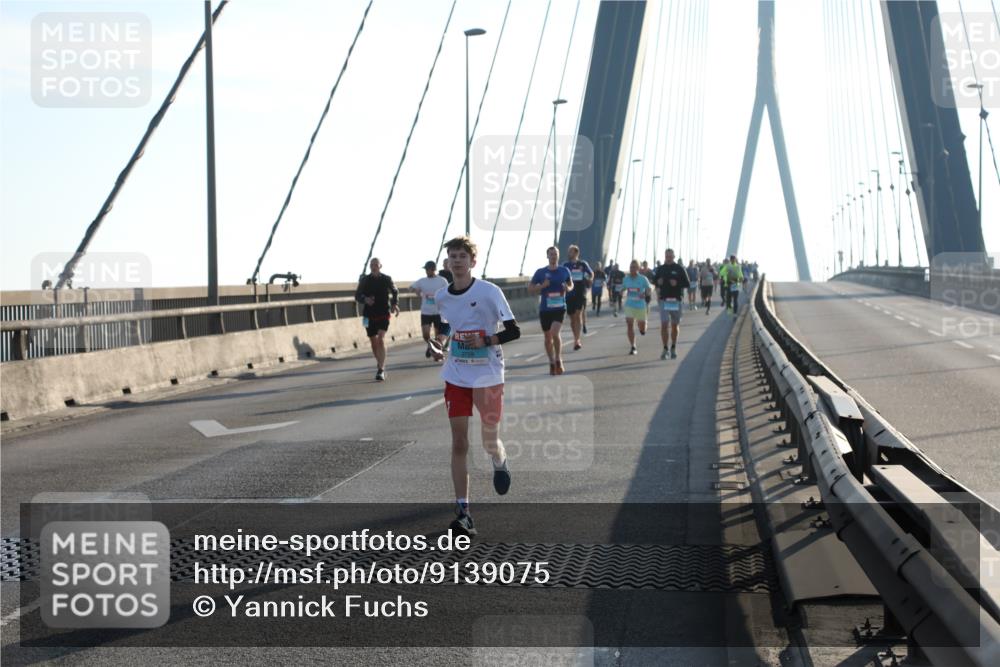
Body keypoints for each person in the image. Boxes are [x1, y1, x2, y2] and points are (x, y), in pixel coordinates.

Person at [430, 236, 519, 537]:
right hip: (456, 374)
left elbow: (513, 330)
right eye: (452, 256)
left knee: (488, 441)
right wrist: (438, 343)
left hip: (488, 375)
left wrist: (486, 340)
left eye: (462, 256)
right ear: (447, 262)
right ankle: (463, 511)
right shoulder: (442, 296)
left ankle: (499, 459)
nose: (457, 261)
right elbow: (444, 325)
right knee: (459, 442)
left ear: (472, 262)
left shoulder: (489, 292)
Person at [529, 246, 573, 375]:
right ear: (547, 256)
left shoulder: (564, 271)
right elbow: (530, 288)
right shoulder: (540, 272)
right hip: (545, 309)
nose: (553, 256)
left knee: (555, 332)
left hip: (560, 307)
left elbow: (571, 284)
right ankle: (551, 361)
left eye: (555, 254)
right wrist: (542, 286)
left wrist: (568, 288)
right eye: (551, 254)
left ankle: (558, 358)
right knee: (548, 338)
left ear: (558, 256)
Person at [355, 258, 399, 381]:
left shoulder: (386, 279)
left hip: (384, 312)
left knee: (381, 338)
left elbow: (395, 291)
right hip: (368, 315)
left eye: (376, 264)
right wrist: (365, 300)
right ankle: (381, 363)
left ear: (380, 266)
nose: (374, 266)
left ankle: (381, 369)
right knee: (373, 341)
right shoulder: (365, 280)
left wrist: (395, 304)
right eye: (372, 264)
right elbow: (357, 295)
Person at [652, 248, 690, 359]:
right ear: (665, 256)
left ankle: (673, 346)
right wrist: (657, 282)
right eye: (666, 256)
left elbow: (687, 283)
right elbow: (653, 280)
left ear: (673, 257)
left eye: (670, 256)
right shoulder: (660, 269)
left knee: (674, 325)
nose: (668, 258)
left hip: (676, 300)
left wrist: (677, 283)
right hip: (664, 300)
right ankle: (665, 348)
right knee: (664, 324)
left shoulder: (679, 268)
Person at [411, 261, 451, 360]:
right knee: (425, 334)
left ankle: (435, 352)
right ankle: (430, 345)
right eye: (425, 269)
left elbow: (448, 292)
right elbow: (411, 287)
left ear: (433, 269)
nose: (426, 271)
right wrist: (416, 290)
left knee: (438, 336)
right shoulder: (422, 281)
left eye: (427, 269)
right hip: (425, 312)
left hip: (438, 312)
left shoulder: (442, 281)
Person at [563, 245, 593, 351]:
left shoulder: (583, 264)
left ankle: (577, 340)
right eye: (568, 251)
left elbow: (591, 274)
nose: (569, 253)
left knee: (578, 314)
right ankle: (575, 336)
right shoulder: (565, 265)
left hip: (581, 292)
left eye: (570, 252)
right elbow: (562, 276)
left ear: (576, 253)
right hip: (569, 294)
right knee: (572, 319)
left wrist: (589, 280)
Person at [622, 259, 652, 355]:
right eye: (631, 267)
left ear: (638, 268)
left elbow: (649, 288)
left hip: (640, 305)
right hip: (629, 305)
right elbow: (623, 288)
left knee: (642, 327)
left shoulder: (643, 279)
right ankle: (633, 346)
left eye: (634, 267)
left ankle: (642, 326)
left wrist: (646, 293)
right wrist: (620, 292)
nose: (632, 269)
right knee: (629, 323)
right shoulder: (626, 279)